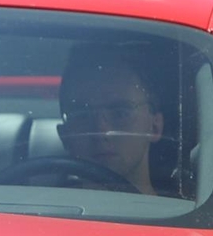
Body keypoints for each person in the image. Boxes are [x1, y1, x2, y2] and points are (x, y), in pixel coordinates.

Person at [55, 47, 178, 196]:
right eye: (82, 116)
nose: (101, 132)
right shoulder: (35, 215)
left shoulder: (191, 216)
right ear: (64, 136)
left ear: (155, 127)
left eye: (120, 113)